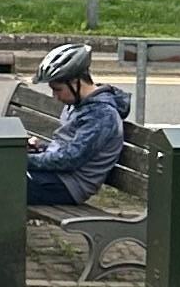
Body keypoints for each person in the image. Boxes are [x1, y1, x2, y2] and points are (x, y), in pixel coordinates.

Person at [25, 40, 128, 208]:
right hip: (56, 178)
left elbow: (70, 159)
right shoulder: (78, 105)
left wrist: (20, 159)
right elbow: (67, 149)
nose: (55, 97)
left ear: (75, 82)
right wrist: (40, 148)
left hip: (67, 186)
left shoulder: (101, 115)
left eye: (57, 89)